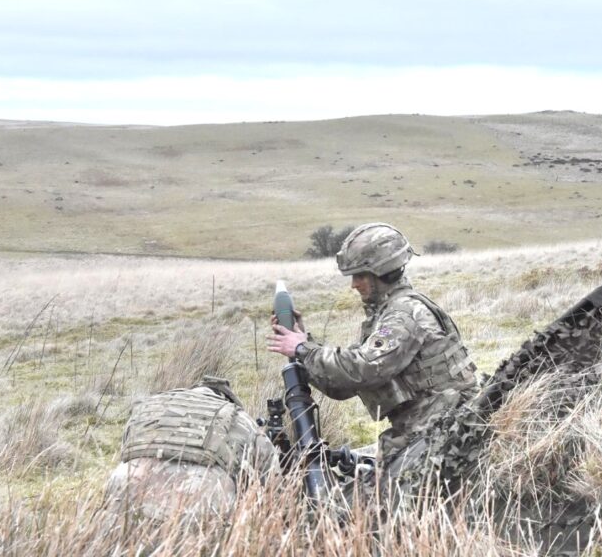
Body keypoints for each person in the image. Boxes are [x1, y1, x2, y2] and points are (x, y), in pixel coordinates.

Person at [267, 222, 478, 496]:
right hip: (427, 430)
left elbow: (364, 369)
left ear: (383, 273)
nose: (354, 285)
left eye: (360, 276)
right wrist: (303, 342)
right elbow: (343, 385)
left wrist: (304, 350)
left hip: (442, 432)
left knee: (362, 507)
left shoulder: (404, 314)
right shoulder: (389, 314)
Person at [106, 376, 279, 521]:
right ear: (227, 400)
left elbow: (126, 454)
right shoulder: (240, 418)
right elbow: (273, 484)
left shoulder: (148, 407)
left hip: (127, 487)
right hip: (199, 501)